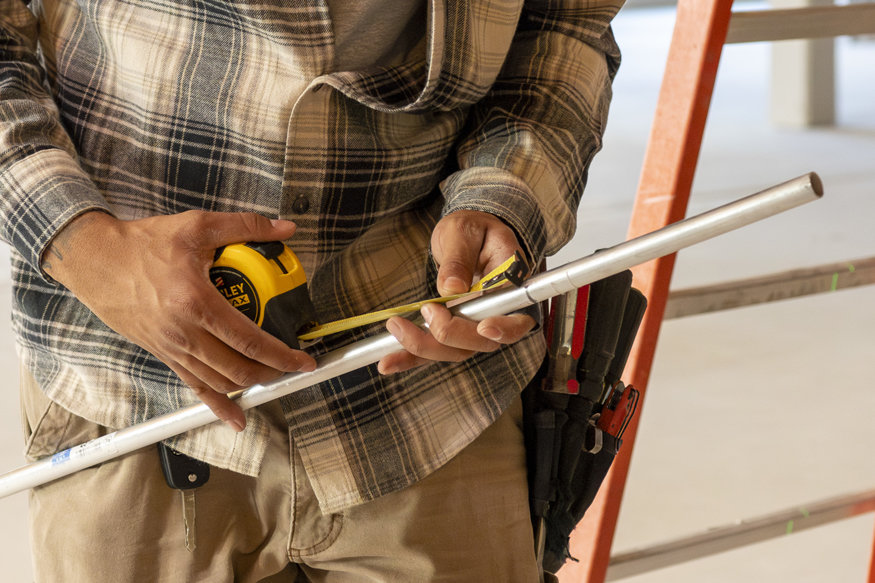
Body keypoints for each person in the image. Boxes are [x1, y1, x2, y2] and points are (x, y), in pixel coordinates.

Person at [0, 0, 623, 581]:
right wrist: (78, 242)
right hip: (135, 387)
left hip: (429, 393)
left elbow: (565, 27)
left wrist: (504, 197)